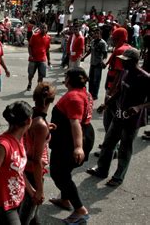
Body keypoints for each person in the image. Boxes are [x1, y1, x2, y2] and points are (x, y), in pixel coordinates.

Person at [87, 48, 150, 186]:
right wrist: (106, 104)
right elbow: (120, 91)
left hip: (132, 120)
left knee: (125, 148)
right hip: (118, 114)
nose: (122, 63)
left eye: (125, 61)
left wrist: (139, 107)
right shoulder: (124, 72)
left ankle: (118, 176)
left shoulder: (145, 78)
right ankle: (101, 170)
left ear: (134, 62)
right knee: (108, 143)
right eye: (122, 60)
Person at [48, 67, 94, 224]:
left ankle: (80, 210)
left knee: (59, 174)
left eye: (66, 76)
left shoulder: (74, 97)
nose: (64, 78)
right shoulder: (83, 92)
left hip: (70, 140)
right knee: (65, 172)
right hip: (74, 136)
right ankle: (64, 199)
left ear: (69, 80)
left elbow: (75, 123)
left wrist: (78, 147)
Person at [19, 83, 56, 224]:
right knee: (26, 217)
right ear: (51, 100)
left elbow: (29, 135)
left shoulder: (31, 113)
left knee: (32, 216)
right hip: (32, 172)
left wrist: (47, 128)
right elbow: (36, 160)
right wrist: (39, 190)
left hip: (24, 168)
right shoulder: (40, 124)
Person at [81, 28, 108, 100]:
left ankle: (95, 95)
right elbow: (90, 51)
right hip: (92, 63)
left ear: (100, 34)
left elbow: (105, 55)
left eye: (97, 33)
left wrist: (104, 61)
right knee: (90, 79)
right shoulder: (92, 41)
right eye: (95, 33)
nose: (96, 35)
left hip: (98, 64)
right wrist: (83, 57)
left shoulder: (103, 43)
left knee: (96, 80)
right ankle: (90, 93)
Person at [26, 24, 51, 91]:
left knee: (41, 75)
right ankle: (29, 83)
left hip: (42, 59)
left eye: (45, 28)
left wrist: (49, 60)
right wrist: (31, 55)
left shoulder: (48, 38)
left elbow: (47, 50)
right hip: (33, 59)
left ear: (47, 29)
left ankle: (38, 87)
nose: (43, 29)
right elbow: (30, 46)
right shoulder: (34, 36)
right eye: (42, 28)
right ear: (40, 28)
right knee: (31, 74)